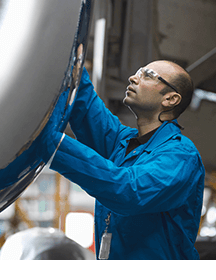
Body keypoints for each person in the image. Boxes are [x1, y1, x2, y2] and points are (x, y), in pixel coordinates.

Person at [49, 60, 205, 260]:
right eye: (137, 71)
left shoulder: (182, 156)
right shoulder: (122, 142)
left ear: (170, 99)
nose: (133, 77)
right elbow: (85, 105)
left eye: (147, 75)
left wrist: (49, 143)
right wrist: (72, 58)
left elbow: (129, 190)